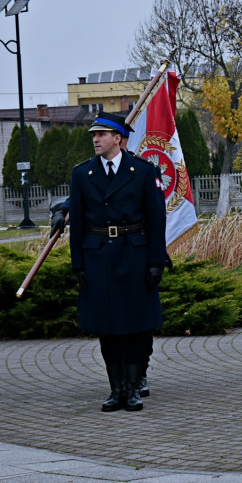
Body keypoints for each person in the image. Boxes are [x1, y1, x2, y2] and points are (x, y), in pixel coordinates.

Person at [68, 111, 166, 412]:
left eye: (101, 134)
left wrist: (155, 261)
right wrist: (79, 265)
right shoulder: (83, 174)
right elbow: (79, 225)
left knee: (136, 327)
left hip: (134, 255)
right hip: (99, 257)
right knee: (107, 328)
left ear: (118, 139)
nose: (95, 139)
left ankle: (134, 388)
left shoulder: (144, 171)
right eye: (93, 135)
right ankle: (116, 389)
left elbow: (156, 219)